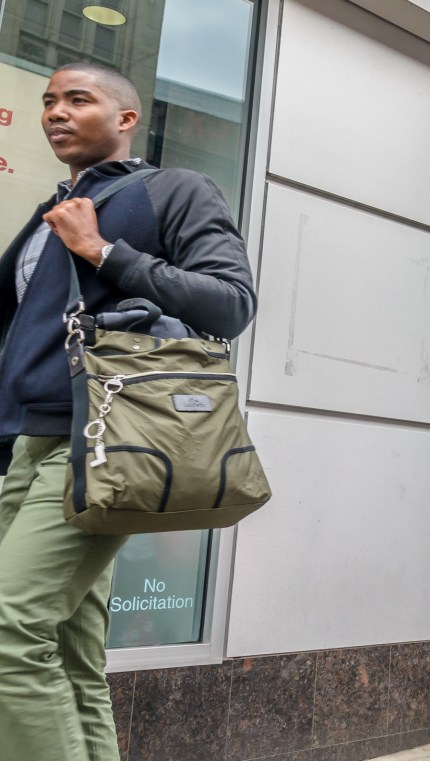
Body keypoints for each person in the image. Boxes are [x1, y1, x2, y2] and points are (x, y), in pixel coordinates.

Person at [0, 64, 257, 761]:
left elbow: (230, 303)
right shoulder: (48, 211)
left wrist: (106, 252)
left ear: (125, 118)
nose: (55, 110)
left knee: (9, 633)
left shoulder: (171, 189)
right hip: (27, 447)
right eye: (48, 100)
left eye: (77, 98)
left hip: (102, 442)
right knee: (62, 647)